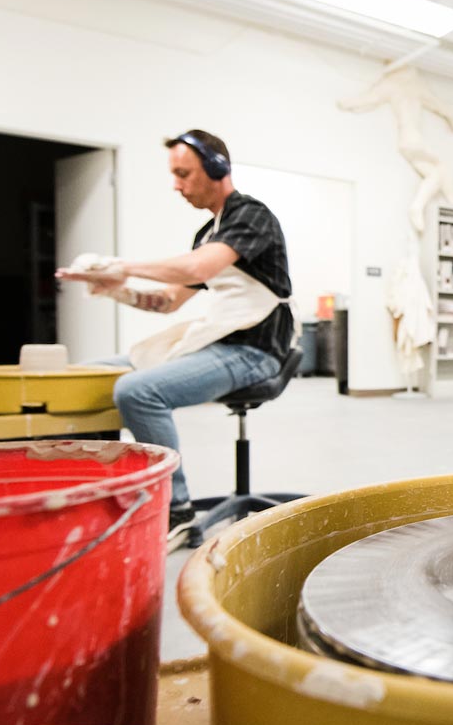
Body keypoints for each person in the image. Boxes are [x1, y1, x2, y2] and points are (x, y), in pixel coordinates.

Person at [58, 129, 294, 546]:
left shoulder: (251, 216)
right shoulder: (208, 232)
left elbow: (194, 270)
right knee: (85, 374)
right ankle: (104, 489)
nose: (177, 185)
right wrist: (114, 286)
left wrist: (119, 265)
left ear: (217, 167)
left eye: (184, 174)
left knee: (138, 390)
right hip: (220, 341)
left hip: (255, 349)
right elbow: (168, 301)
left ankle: (176, 509)